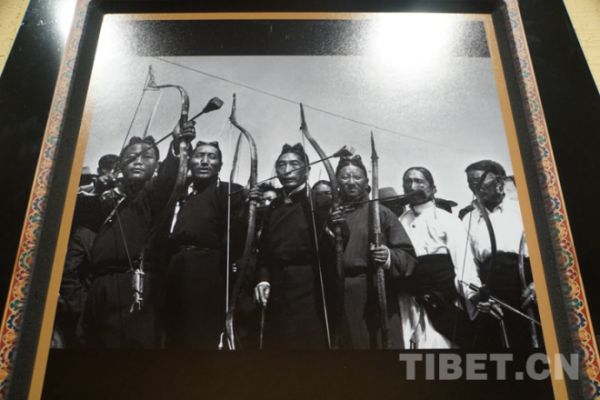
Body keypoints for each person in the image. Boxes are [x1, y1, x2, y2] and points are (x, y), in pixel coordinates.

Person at [82, 122, 196, 348]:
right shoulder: (108, 198)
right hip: (99, 287)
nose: (137, 161)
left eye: (147, 157)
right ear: (120, 165)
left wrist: (177, 145)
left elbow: (169, 178)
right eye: (131, 157)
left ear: (156, 166)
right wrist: (96, 189)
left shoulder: (154, 195)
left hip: (134, 286)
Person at [165, 140, 256, 349]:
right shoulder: (182, 193)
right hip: (174, 266)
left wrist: (248, 201)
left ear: (220, 165)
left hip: (206, 269)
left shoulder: (231, 191)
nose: (205, 161)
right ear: (190, 162)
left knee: (199, 332)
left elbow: (240, 230)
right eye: (199, 156)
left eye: (212, 157)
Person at [254, 143, 337, 349]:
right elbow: (264, 251)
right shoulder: (274, 205)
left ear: (307, 170)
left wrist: (335, 224)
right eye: (281, 165)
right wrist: (263, 279)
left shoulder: (319, 201)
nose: (287, 170)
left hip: (310, 283)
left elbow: (336, 241)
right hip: (277, 284)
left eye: (294, 164)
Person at [330, 154, 416, 349]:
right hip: (338, 292)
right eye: (345, 177)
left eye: (357, 177)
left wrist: (388, 256)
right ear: (336, 182)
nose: (351, 182)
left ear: (366, 181)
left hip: (374, 291)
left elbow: (408, 256)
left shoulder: (381, 213)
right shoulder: (331, 214)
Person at [397, 167, 481, 349]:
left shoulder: (447, 220)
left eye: (419, 181)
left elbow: (464, 265)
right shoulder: (399, 222)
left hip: (442, 302)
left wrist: (473, 295)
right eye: (407, 182)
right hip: (408, 303)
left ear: (433, 188)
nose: (413, 186)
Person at [462, 160, 540, 349]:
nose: (475, 188)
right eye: (471, 184)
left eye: (480, 181)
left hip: (527, 287)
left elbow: (548, 252)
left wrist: (540, 284)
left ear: (499, 182)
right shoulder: (468, 219)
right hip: (492, 295)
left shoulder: (524, 209)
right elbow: (467, 267)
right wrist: (477, 297)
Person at [56, 153, 120, 348]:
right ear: (100, 171)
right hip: (80, 289)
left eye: (116, 170)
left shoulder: (120, 191)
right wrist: (81, 304)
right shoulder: (85, 190)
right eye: (108, 169)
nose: (112, 174)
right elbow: (68, 272)